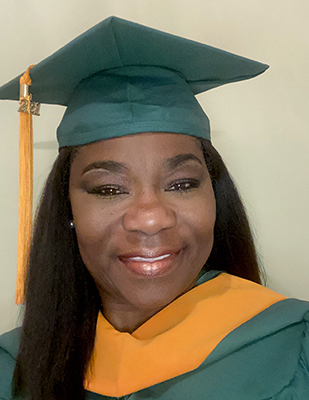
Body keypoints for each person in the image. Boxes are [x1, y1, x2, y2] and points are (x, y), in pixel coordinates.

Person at [0, 16, 308, 400]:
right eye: (109, 188)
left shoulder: (296, 346)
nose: (150, 218)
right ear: (68, 209)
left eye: (181, 184)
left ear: (215, 196)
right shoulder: (12, 366)